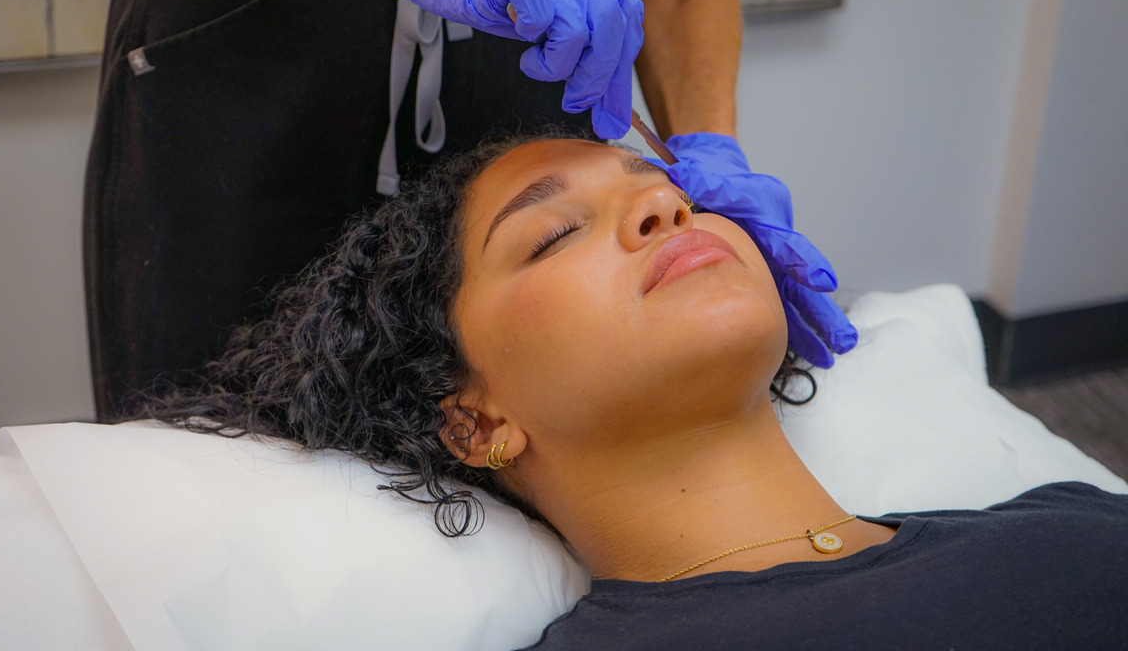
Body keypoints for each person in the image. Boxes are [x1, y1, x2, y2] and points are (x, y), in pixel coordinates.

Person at [143, 130, 1127, 649]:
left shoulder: (1074, 525)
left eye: (671, 192)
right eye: (553, 232)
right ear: (474, 415)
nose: (665, 200)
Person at [88, 0, 855, 420]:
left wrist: (710, 150)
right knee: (206, 418)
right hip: (263, 9)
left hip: (528, 26)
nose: (664, 212)